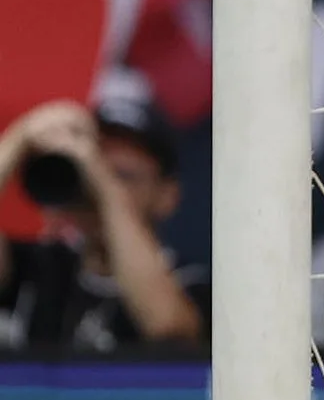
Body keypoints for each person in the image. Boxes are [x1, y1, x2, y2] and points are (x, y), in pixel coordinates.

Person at [0, 94, 204, 350]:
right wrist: (20, 138)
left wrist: (103, 181)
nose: (93, 187)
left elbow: (170, 330)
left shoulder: (190, 282)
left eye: (123, 175)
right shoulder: (37, 266)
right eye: (88, 168)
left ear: (167, 196)